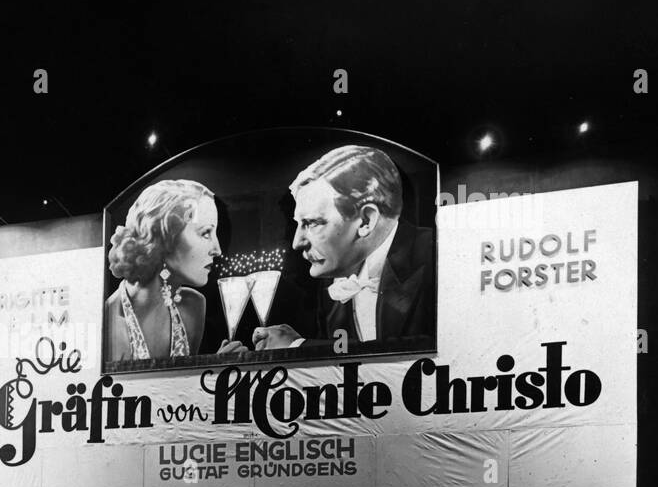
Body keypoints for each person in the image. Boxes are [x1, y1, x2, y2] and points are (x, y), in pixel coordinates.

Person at [252, 145, 434, 351]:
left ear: (366, 220)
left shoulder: (436, 256)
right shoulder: (332, 281)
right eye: (298, 224)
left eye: (312, 223)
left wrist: (299, 346)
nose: (297, 242)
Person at [105, 179, 247, 361]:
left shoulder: (193, 305)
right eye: (205, 233)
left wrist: (212, 368)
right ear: (163, 237)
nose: (217, 249)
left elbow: (182, 386)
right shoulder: (111, 324)